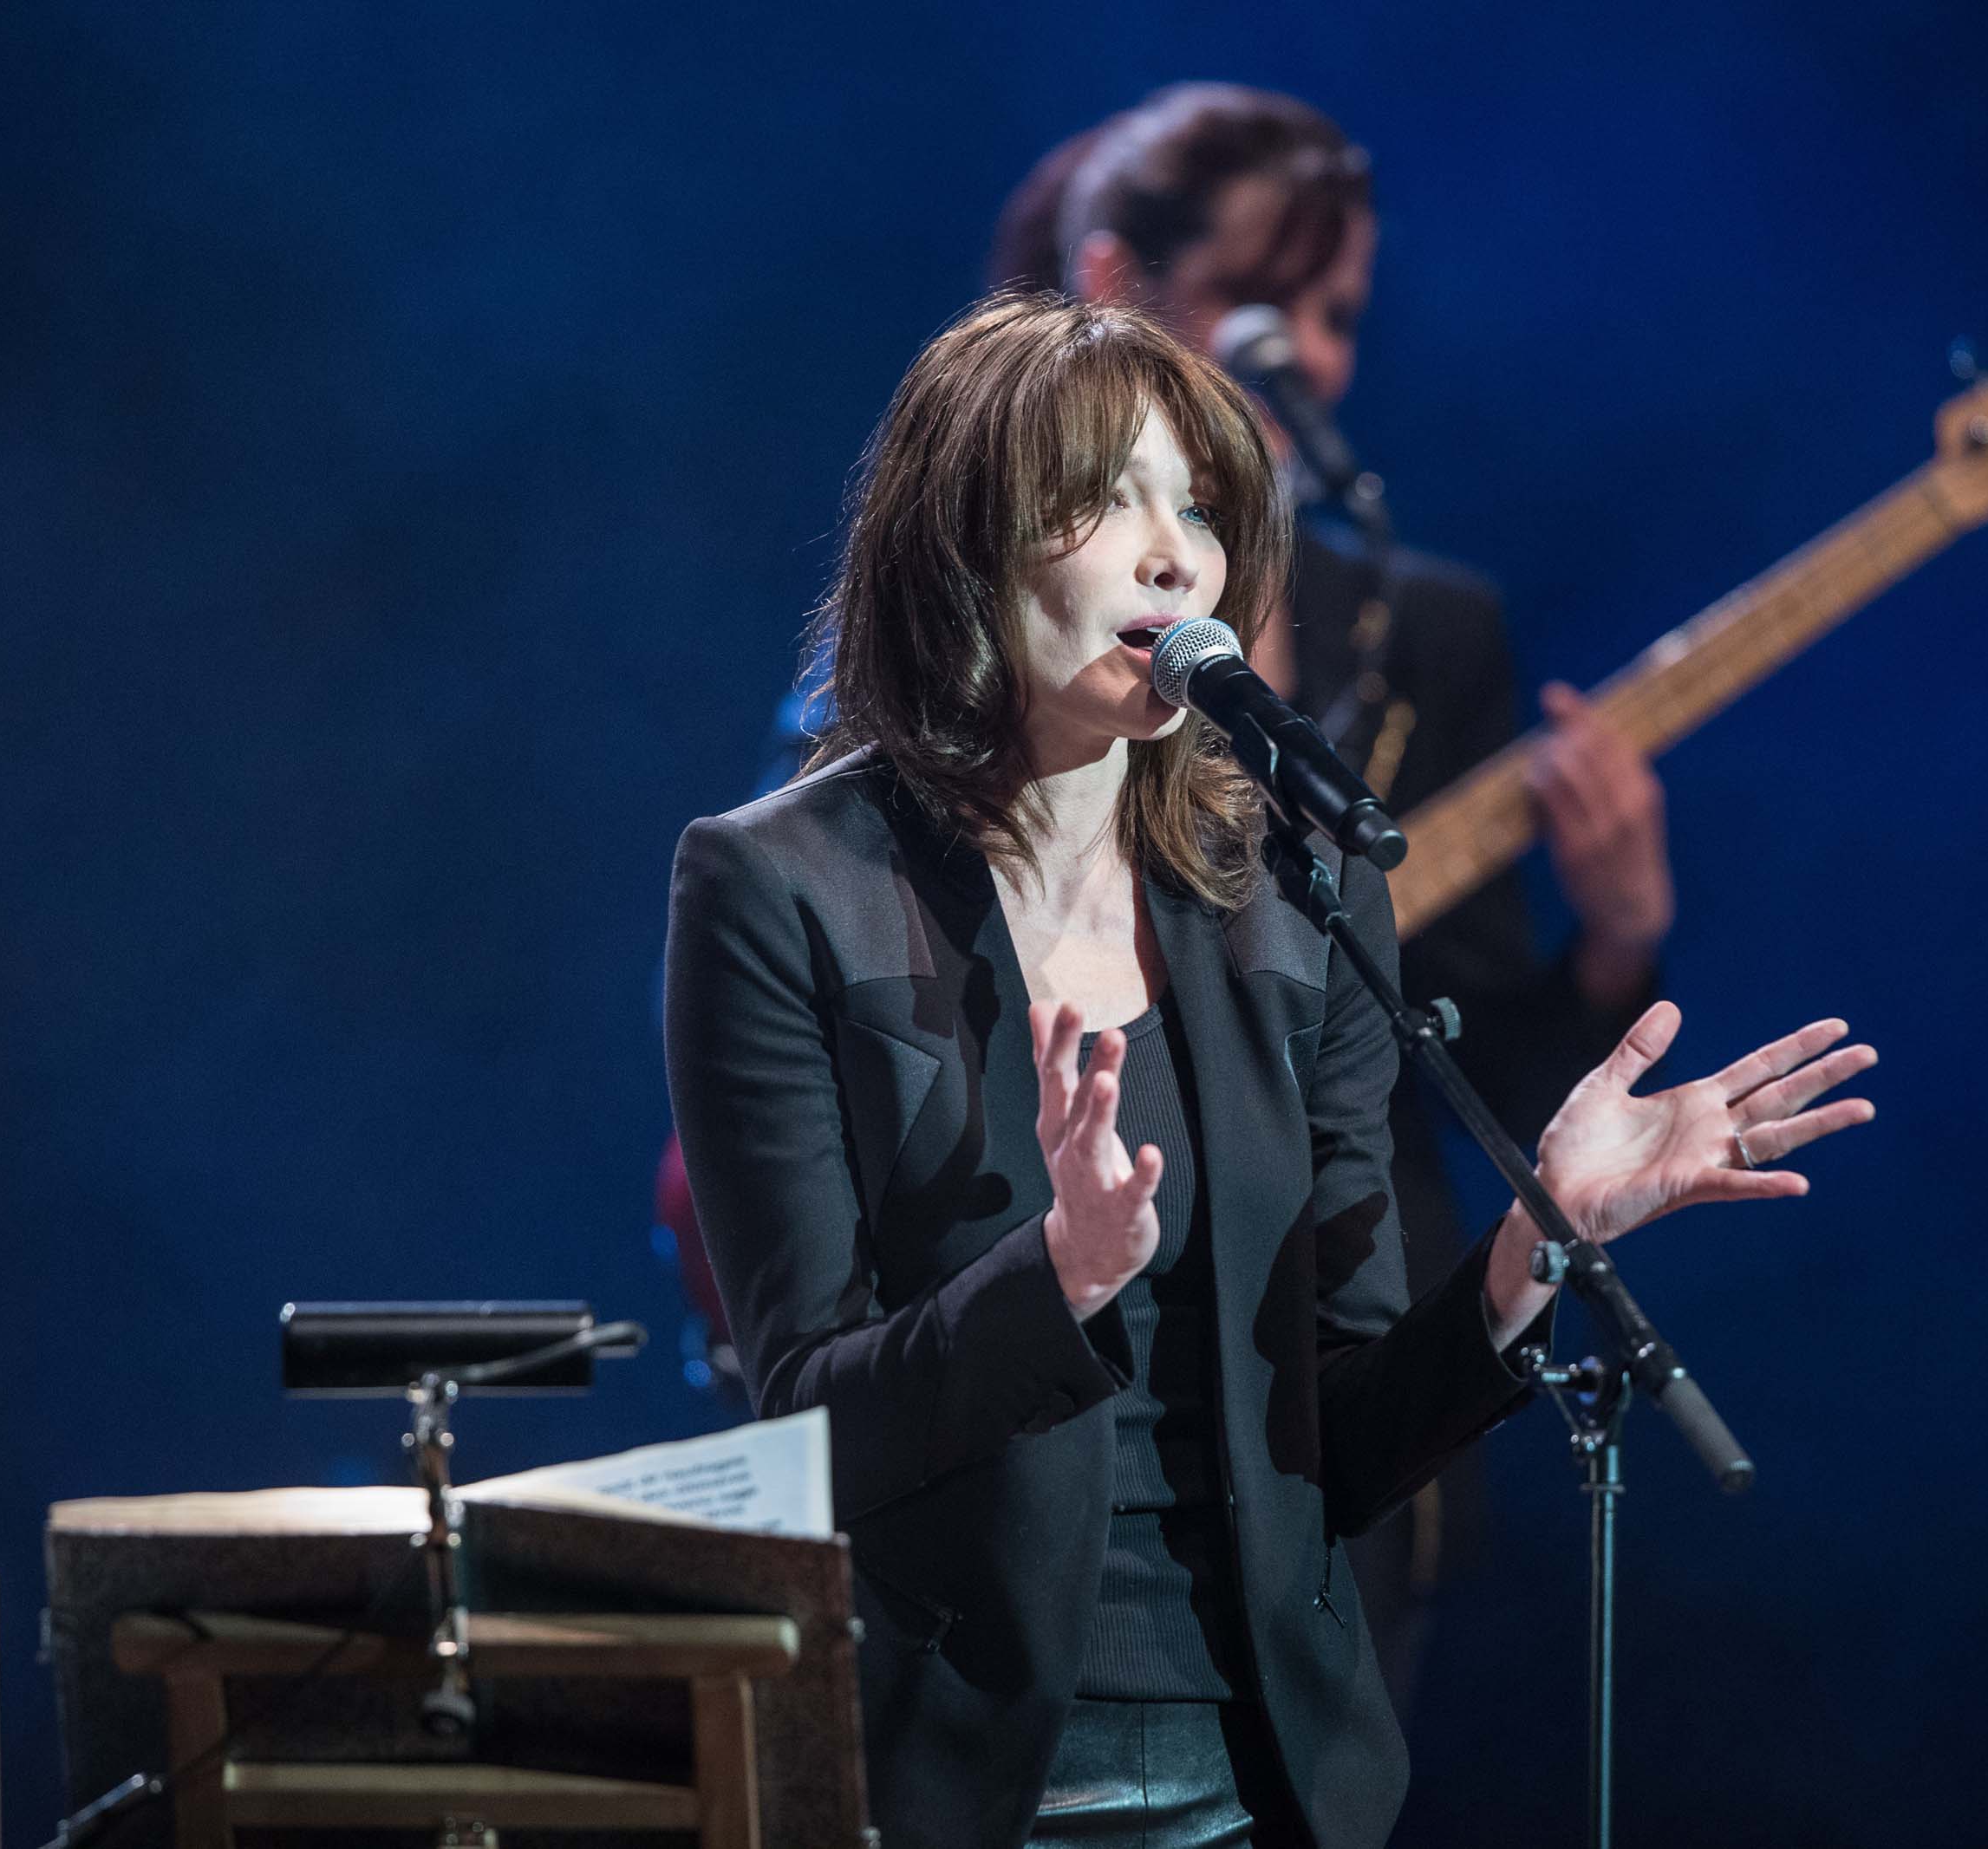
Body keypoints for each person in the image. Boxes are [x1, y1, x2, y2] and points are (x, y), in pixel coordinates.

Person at [663, 293, 1875, 1848]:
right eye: (1108, 500)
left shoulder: (1293, 894)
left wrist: (1528, 1245)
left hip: (1264, 1790)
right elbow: (811, 1429)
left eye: (1203, 509)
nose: (1178, 555)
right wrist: (1059, 1279)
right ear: (963, 541)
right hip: (951, 1786)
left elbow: (1347, 1437)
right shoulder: (783, 886)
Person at [989, 83, 1678, 1702]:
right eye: (1261, 299)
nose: (1303, 351)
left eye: (1337, 311)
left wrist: (1624, 928)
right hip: (1048, 1371)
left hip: (1344, 1368)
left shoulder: (1429, 633)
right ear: (1112, 287)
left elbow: (1468, 1064)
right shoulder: (974, 644)